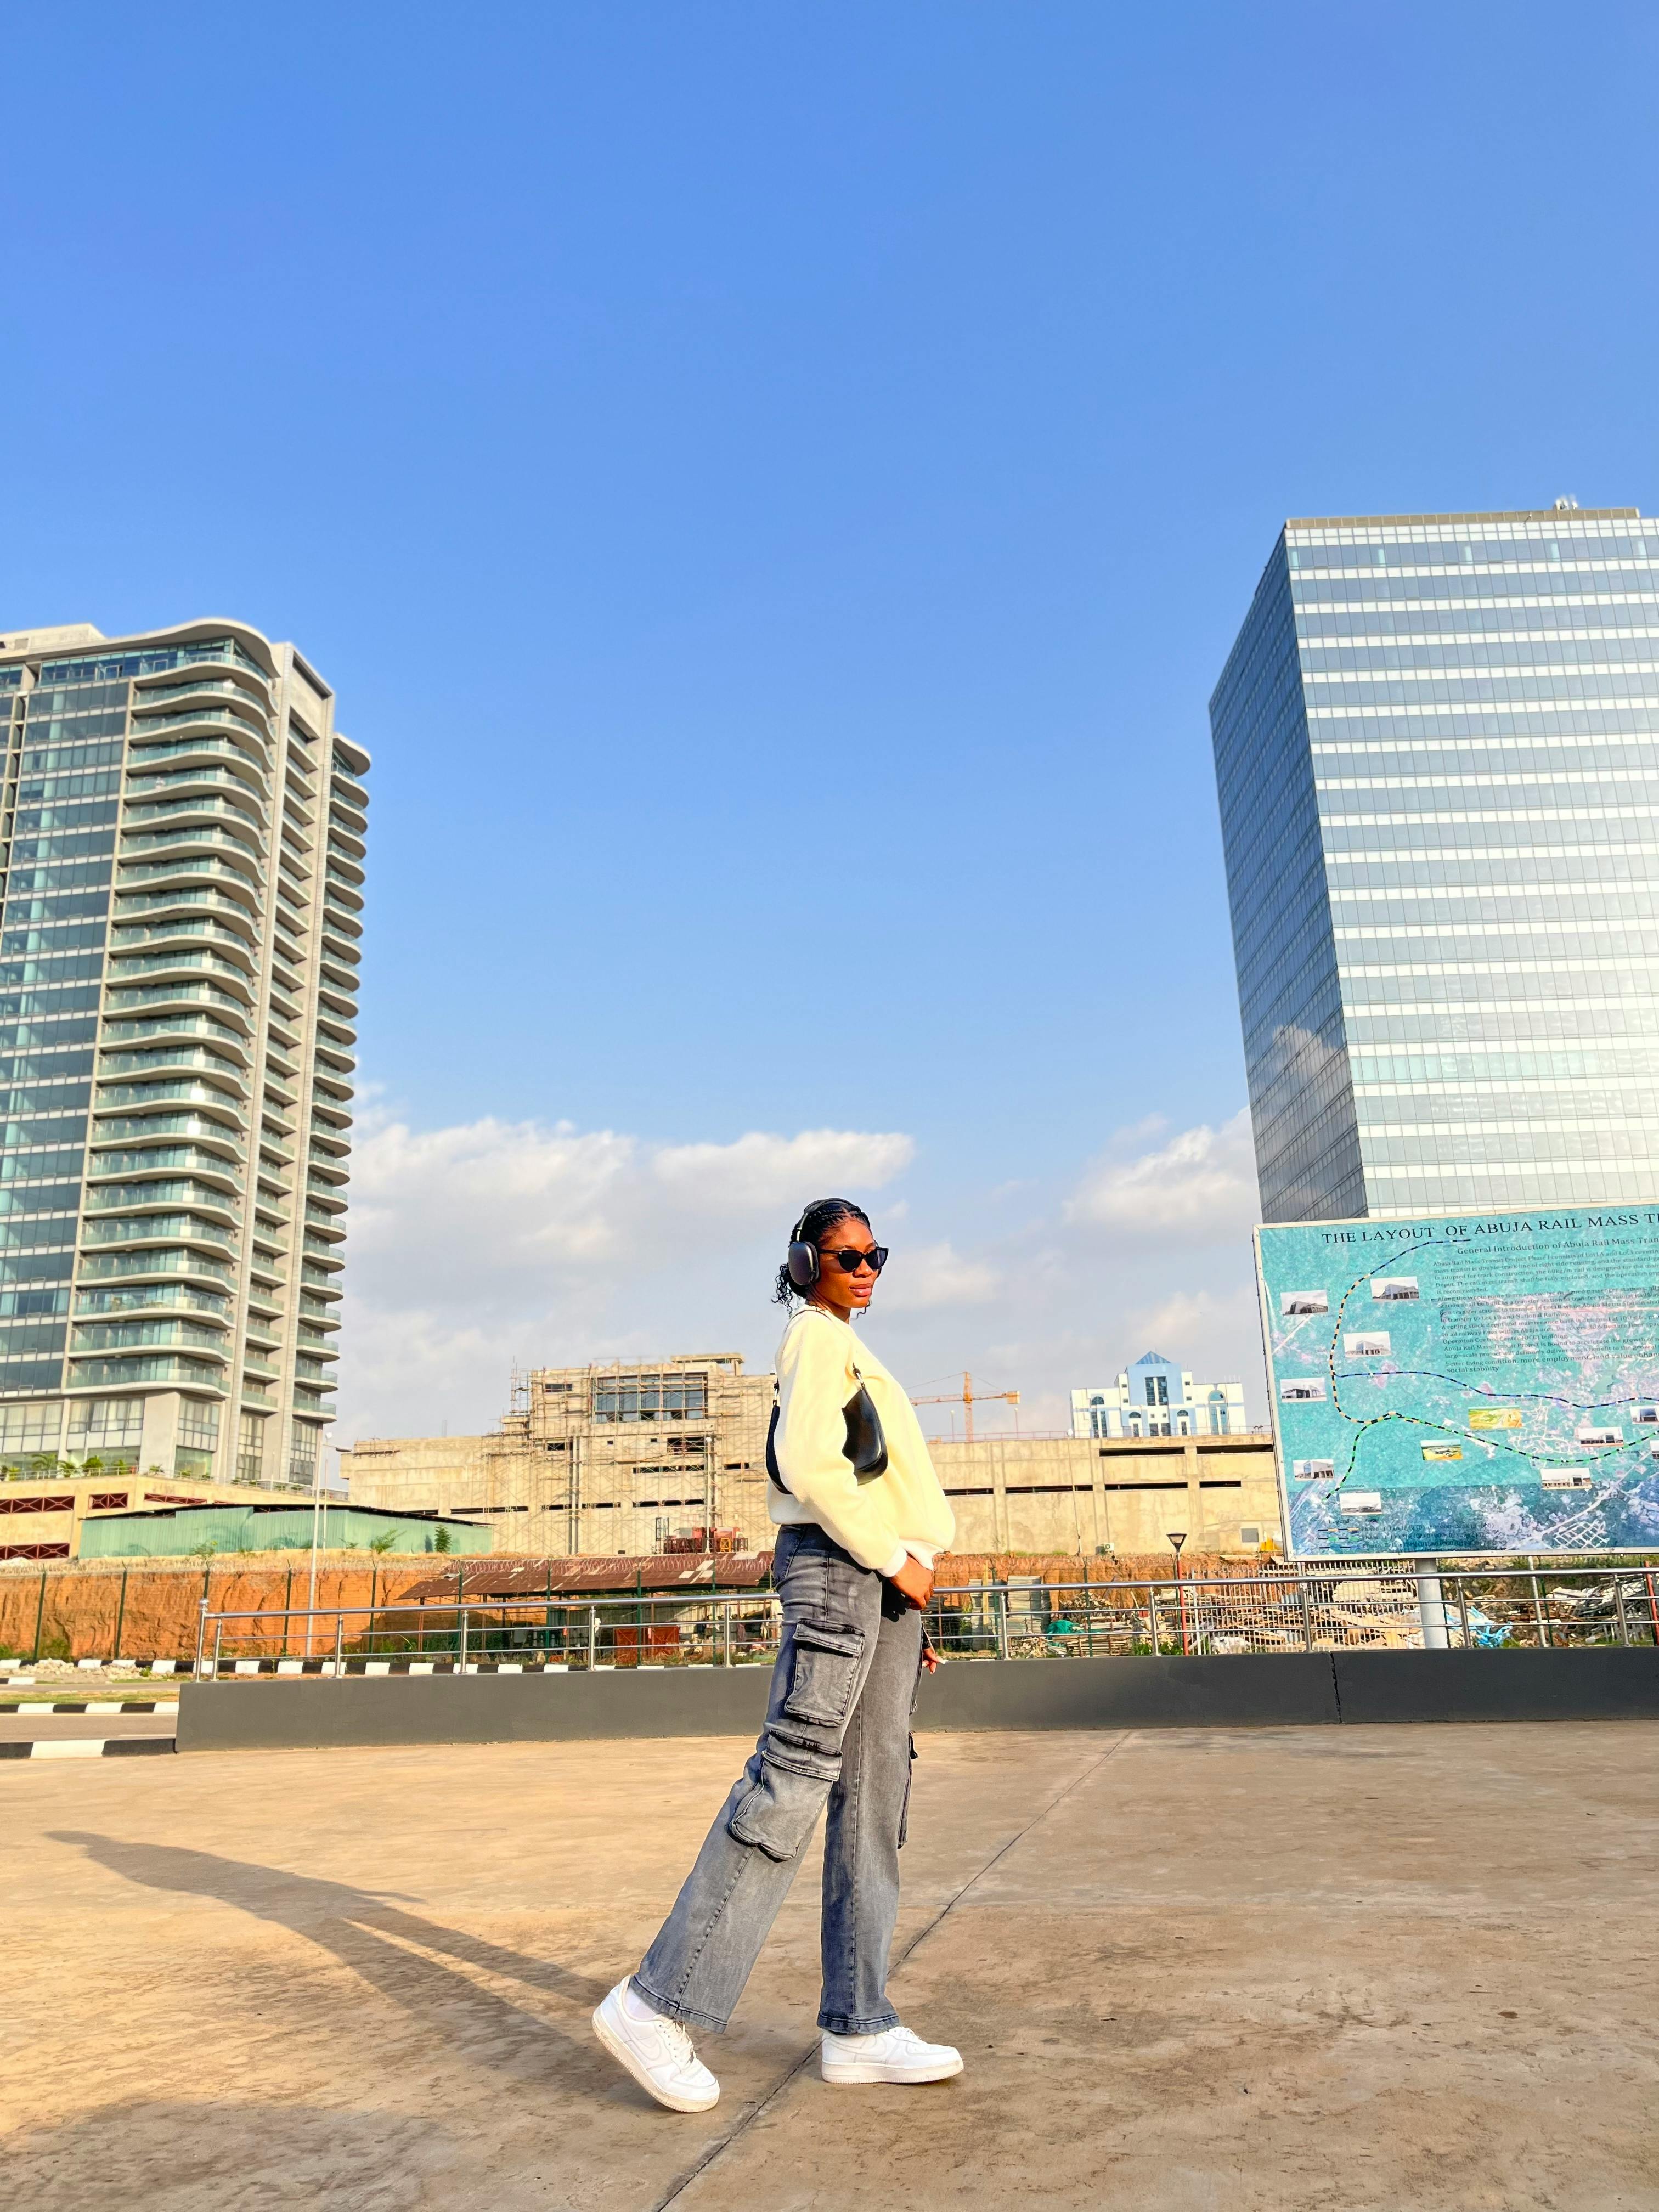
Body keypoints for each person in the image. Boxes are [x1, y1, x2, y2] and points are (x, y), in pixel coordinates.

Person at [592, 1197, 962, 2110]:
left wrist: (902, 1595)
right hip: (846, 1573)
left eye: (877, 1254)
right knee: (791, 1783)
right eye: (846, 1255)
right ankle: (654, 2005)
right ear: (803, 1264)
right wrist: (887, 1562)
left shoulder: (846, 1342)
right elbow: (810, 1465)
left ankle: (858, 2025)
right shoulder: (814, 1339)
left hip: (877, 1590)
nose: (866, 1267)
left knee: (875, 1801)